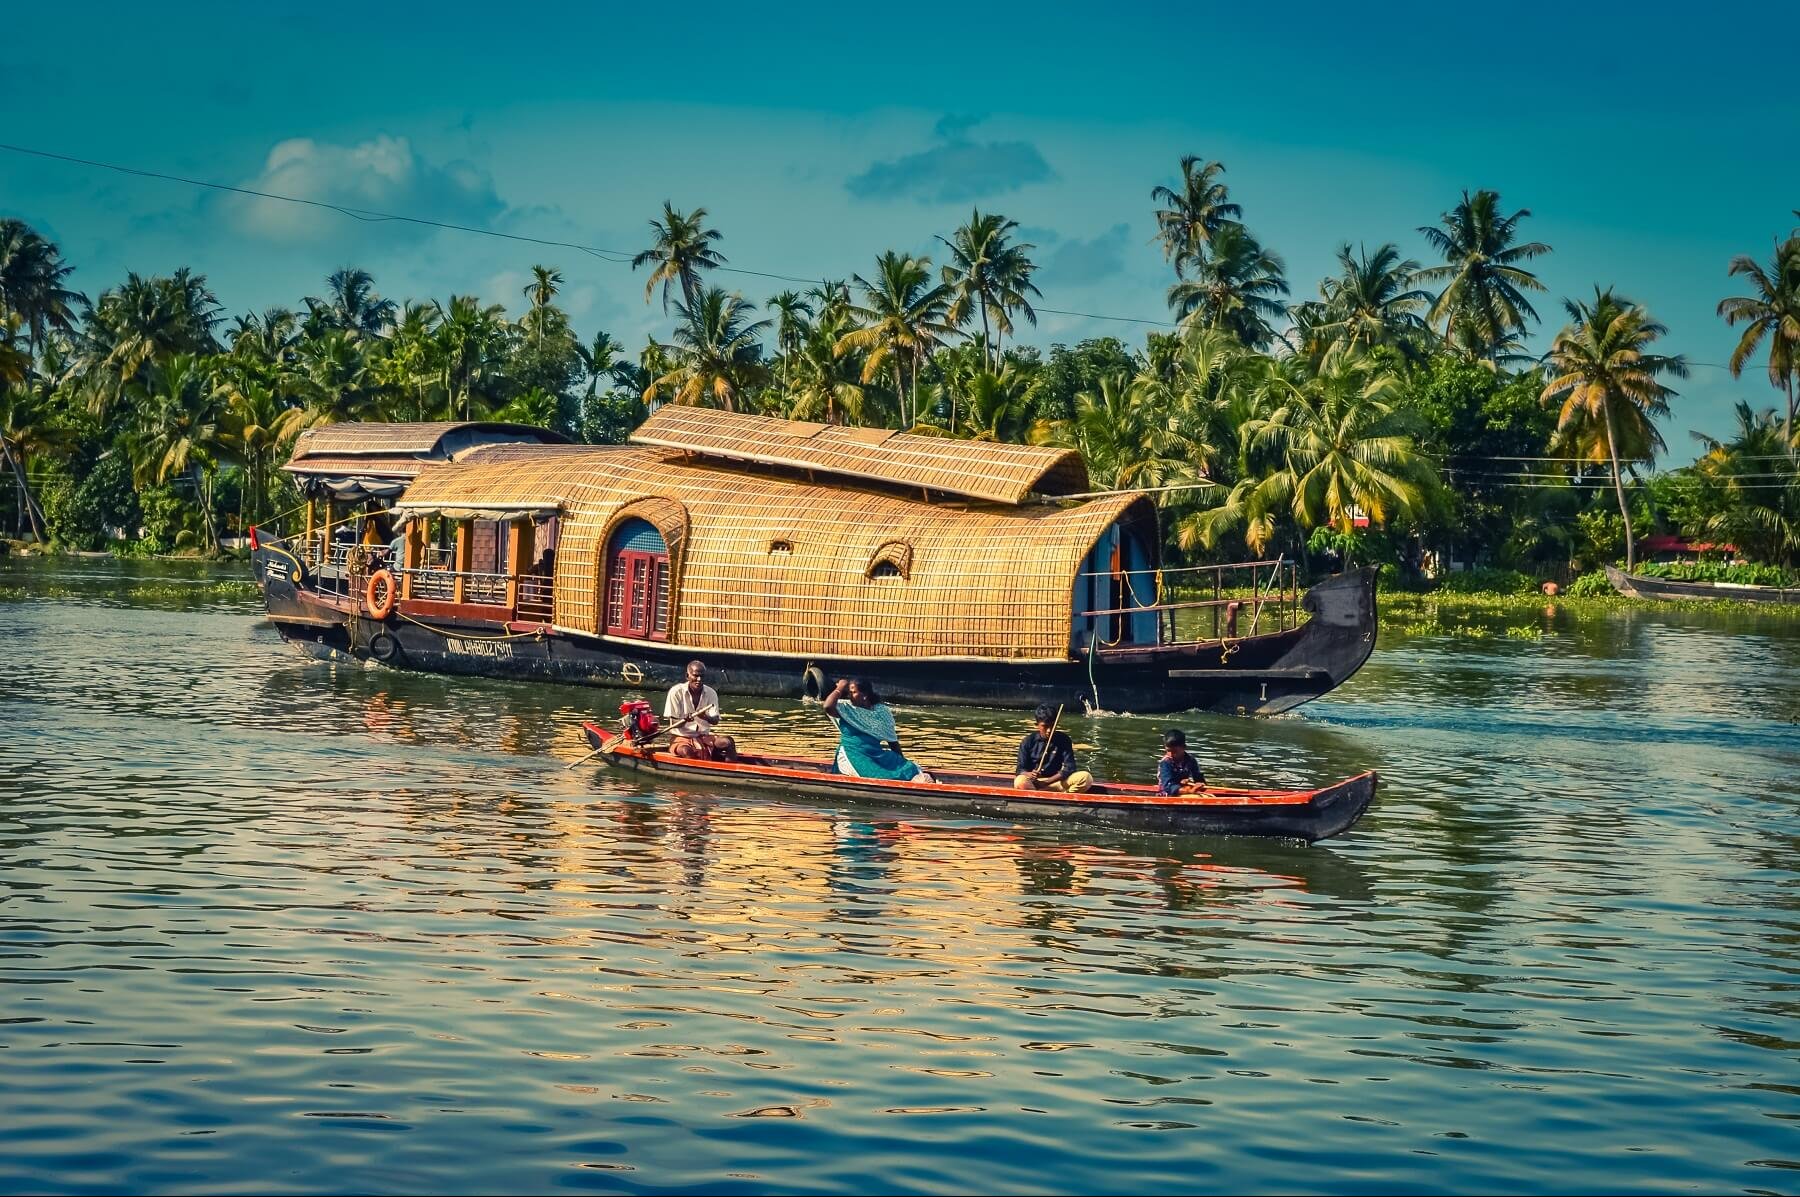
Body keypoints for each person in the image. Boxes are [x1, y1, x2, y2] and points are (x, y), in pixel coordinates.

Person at [823, 677, 933, 783]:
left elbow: (892, 741)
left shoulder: (881, 712)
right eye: (849, 692)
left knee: (908, 768)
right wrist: (840, 688)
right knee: (879, 776)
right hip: (853, 753)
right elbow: (827, 706)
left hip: (875, 753)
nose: (849, 696)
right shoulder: (846, 708)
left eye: (853, 692)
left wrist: (901, 762)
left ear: (865, 695)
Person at [664, 659, 737, 761]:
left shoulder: (711, 693)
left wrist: (705, 717)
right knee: (687, 752)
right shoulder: (676, 692)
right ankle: (695, 772)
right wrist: (684, 720)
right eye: (695, 675)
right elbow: (674, 722)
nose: (699, 679)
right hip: (682, 738)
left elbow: (715, 720)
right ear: (687, 676)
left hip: (704, 737)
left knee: (728, 742)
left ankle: (730, 771)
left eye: (702, 676)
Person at [1014, 704, 1092, 792]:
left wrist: (1046, 782)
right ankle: (1043, 796)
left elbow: (1070, 768)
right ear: (1037, 725)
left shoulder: (1064, 739)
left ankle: (1055, 798)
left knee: (1086, 778)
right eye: (1045, 726)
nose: (1049, 730)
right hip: (1033, 784)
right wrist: (1029, 774)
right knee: (1019, 781)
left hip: (1056, 782)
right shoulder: (1027, 741)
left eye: (1052, 726)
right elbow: (1020, 770)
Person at [1158, 729, 1208, 795]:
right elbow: (1168, 786)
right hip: (1167, 793)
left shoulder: (1191, 760)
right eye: (1168, 751)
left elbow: (1199, 780)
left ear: (1184, 747)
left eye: (1175, 752)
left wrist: (1200, 785)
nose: (1170, 754)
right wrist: (1189, 791)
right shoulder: (1165, 762)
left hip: (1184, 790)